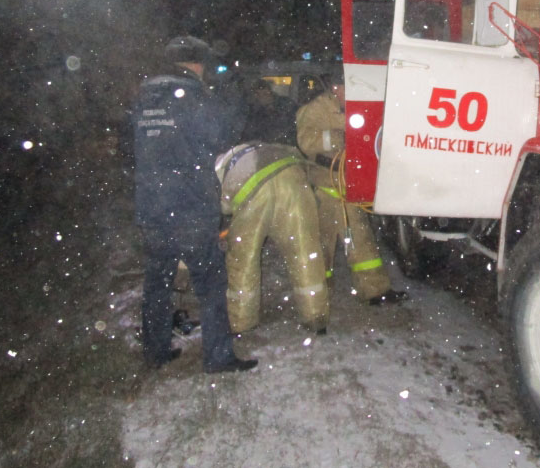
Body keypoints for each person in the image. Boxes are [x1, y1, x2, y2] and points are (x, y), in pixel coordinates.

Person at [132, 35, 258, 373]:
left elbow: (129, 150)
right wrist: (234, 96)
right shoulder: (194, 97)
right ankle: (218, 357)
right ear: (198, 64)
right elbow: (223, 135)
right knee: (211, 285)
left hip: (152, 206)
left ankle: (156, 351)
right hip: (189, 207)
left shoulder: (144, 98)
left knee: (157, 283)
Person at [295, 74, 406, 305]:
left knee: (359, 238)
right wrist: (337, 139)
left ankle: (375, 290)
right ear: (335, 88)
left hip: (348, 183)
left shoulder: (356, 107)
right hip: (325, 185)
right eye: (347, 88)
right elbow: (305, 142)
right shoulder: (315, 109)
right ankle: (317, 294)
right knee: (321, 243)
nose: (352, 93)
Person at [215, 142, 329, 333]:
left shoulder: (220, 168)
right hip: (293, 180)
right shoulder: (264, 147)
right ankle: (315, 315)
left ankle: (242, 321)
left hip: (254, 193)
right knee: (305, 252)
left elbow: (225, 206)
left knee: (243, 259)